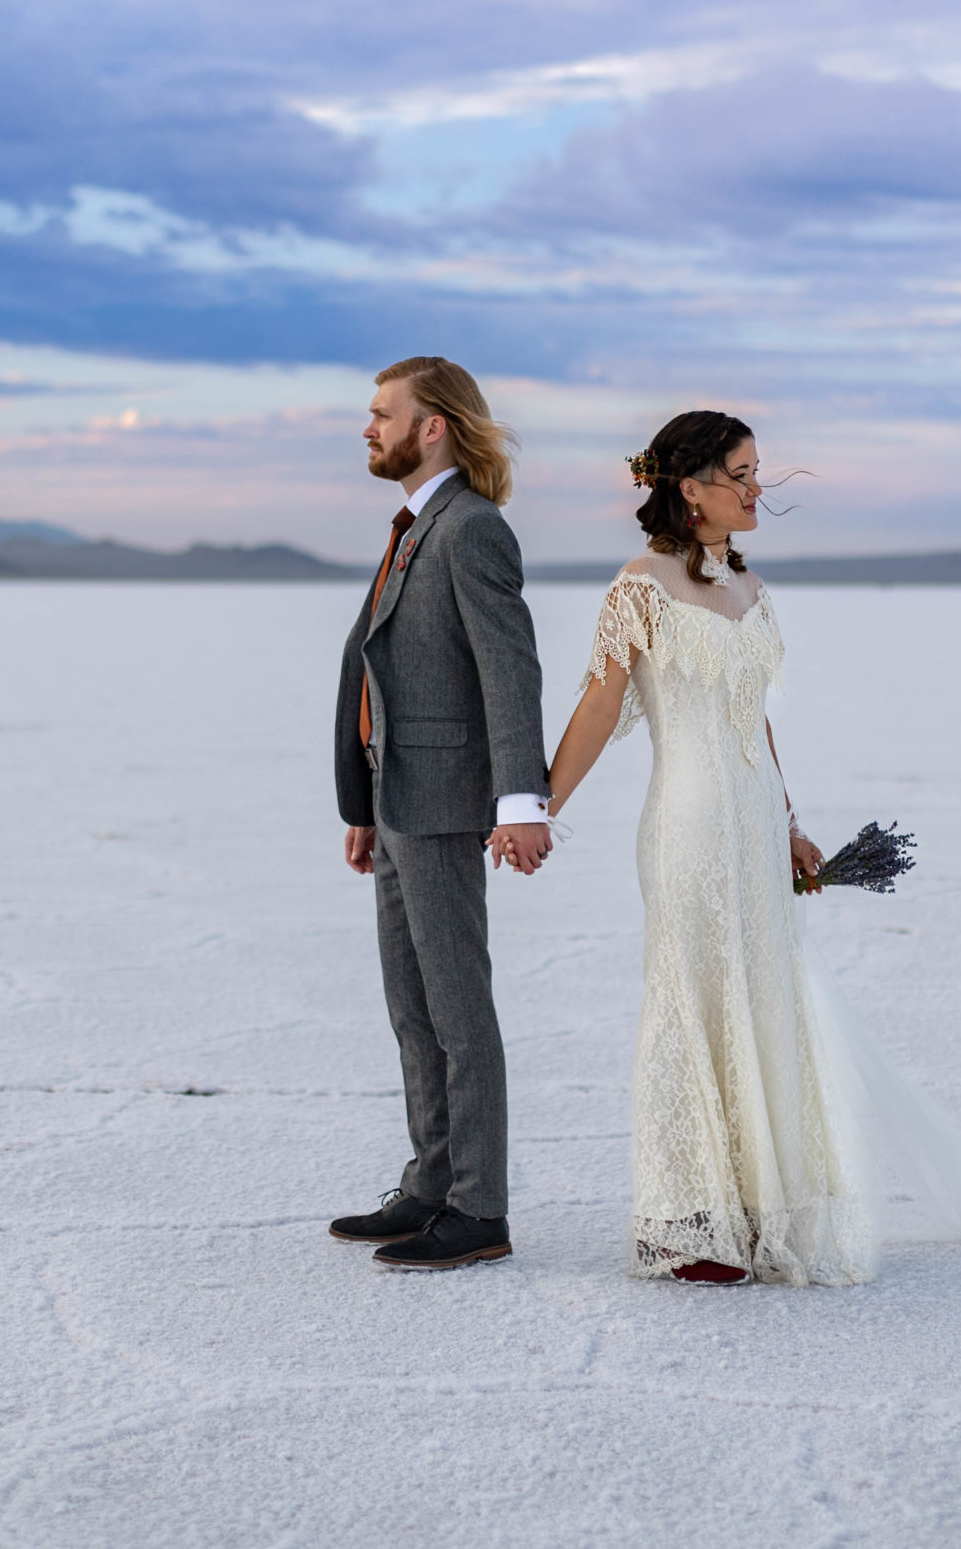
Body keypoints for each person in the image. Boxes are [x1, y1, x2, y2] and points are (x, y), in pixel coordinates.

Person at [541, 409, 876, 1286]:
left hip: (757, 819)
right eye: (740, 472)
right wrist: (537, 806)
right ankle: (692, 1219)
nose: (756, 487)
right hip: (688, 822)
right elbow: (599, 705)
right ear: (690, 488)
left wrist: (794, 823)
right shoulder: (639, 587)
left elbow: (754, 718)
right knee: (691, 998)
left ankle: (760, 1209)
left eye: (757, 470)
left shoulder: (750, 586)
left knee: (762, 1000)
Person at [327, 357, 553, 1272]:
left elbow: (509, 670)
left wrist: (522, 801)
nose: (368, 427)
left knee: (459, 1009)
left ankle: (479, 1208)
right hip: (396, 799)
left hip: (450, 800)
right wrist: (363, 801)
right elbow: (376, 668)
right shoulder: (415, 525)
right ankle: (430, 1182)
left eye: (383, 414)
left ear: (435, 427)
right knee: (412, 1005)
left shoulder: (472, 530)